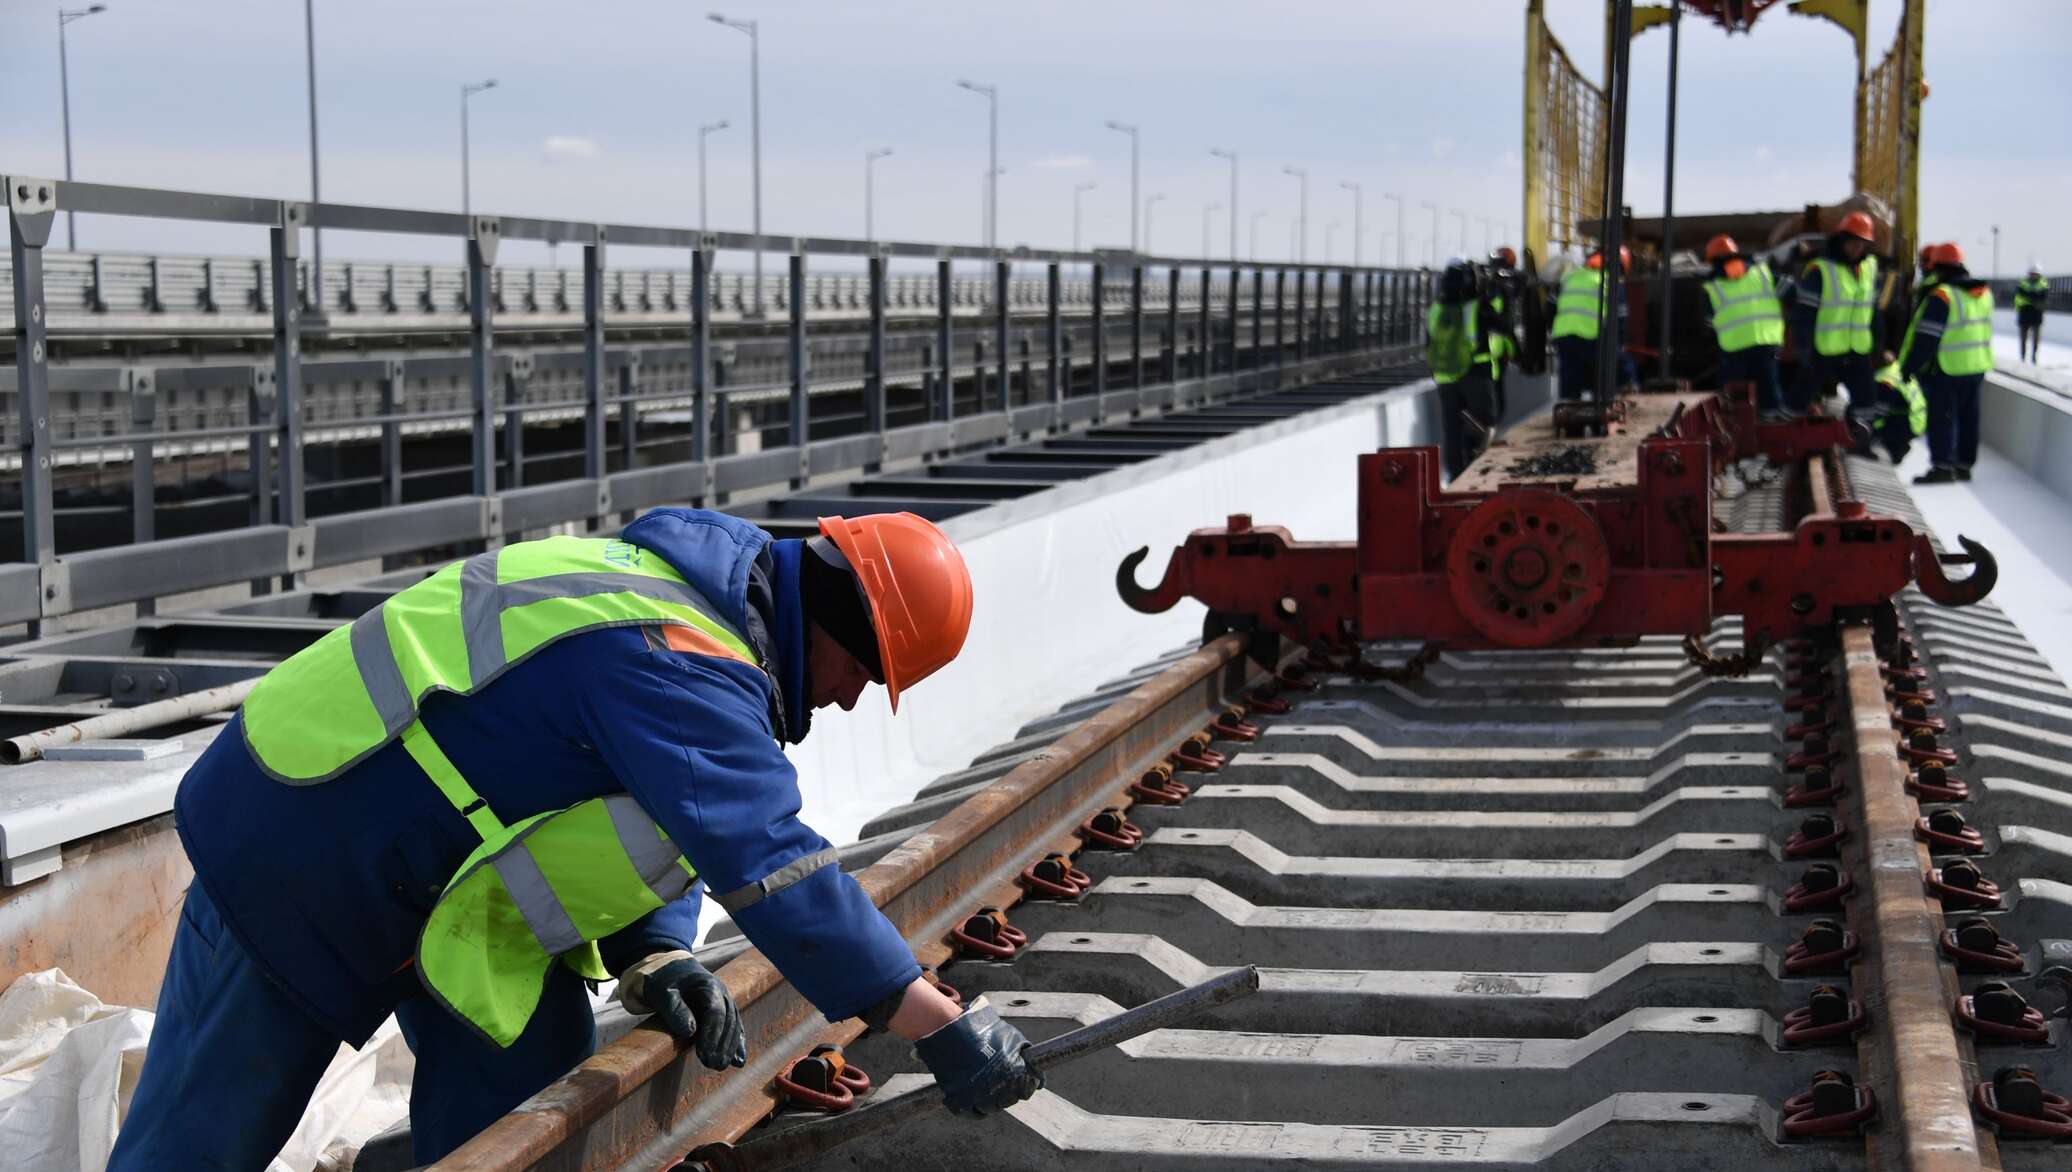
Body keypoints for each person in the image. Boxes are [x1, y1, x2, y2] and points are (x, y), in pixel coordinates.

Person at [108, 510, 1041, 1168]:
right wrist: (934, 1019)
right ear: (838, 626)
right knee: (202, 1144)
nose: (842, 698)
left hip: (436, 885)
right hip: (296, 847)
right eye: (861, 675)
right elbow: (772, 865)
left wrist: (656, 951)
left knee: (527, 1105)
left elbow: (645, 810)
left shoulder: (689, 608)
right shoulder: (680, 659)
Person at [1900, 243, 1995, 483]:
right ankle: (1964, 465)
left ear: (1938, 268)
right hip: (1976, 367)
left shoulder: (1943, 295)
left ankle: (1943, 466)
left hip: (1948, 368)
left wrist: (1909, 367)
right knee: (1968, 417)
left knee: (1942, 417)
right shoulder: (1984, 294)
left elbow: (1926, 339)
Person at [1787, 211, 1882, 423]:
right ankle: (1787, 439)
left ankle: (1859, 441)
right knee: (1799, 397)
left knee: (1867, 400)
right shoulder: (1821, 270)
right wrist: (1804, 347)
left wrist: (1878, 341)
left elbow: (1872, 309)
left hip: (1856, 349)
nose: (1857, 247)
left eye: (1862, 243)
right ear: (1841, 240)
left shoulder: (1870, 268)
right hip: (1823, 349)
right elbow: (1803, 314)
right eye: (1852, 242)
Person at [1427, 259, 1504, 478]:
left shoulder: (1436, 310)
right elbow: (1504, 327)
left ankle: (1455, 475)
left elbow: (1429, 343)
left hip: (1444, 376)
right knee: (1486, 422)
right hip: (1474, 373)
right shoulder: (1477, 306)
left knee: (1452, 430)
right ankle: (1481, 469)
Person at [1700, 234, 1786, 416]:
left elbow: (1708, 323)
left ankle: (1735, 429)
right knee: (1768, 392)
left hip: (1734, 350)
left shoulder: (1712, 287)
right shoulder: (1762, 273)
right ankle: (1771, 427)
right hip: (1766, 343)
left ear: (1712, 261)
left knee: (1733, 398)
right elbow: (1792, 292)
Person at [1548, 244, 1635, 402]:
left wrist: (1553, 330)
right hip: (1593, 336)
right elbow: (1620, 318)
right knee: (1621, 369)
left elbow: (1551, 305)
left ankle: (1569, 413)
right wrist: (1620, 344)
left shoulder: (1569, 277)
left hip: (1564, 336)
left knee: (1570, 381)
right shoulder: (1611, 282)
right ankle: (1612, 402)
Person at [1484, 246, 1524, 418]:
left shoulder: (1494, 288)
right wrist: (1517, 354)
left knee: (1494, 401)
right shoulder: (1500, 292)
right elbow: (1506, 327)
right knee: (1493, 403)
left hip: (1490, 354)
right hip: (1491, 354)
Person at [1868, 349, 1927, 464]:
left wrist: (1870, 431)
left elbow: (1879, 413)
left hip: (1909, 422)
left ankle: (1896, 448)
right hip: (1918, 420)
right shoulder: (1897, 370)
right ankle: (1899, 444)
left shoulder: (1885, 380)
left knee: (1878, 432)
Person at [2015, 266, 2049, 363]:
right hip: (2024, 314)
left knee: (2036, 339)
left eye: (2035, 273)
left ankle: (2034, 357)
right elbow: (2021, 294)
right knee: (2023, 338)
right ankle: (2023, 357)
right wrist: (2034, 297)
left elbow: (2043, 296)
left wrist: (2029, 296)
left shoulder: (2043, 283)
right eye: (2032, 273)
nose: (2033, 275)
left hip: (2037, 315)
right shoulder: (2023, 282)